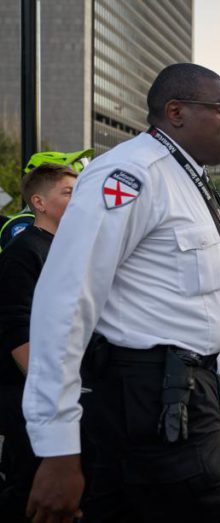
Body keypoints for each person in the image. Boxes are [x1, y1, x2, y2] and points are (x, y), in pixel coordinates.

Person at [23, 63, 220, 522]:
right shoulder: (129, 173)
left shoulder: (186, 177)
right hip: (154, 403)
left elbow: (194, 299)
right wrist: (58, 446)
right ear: (176, 112)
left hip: (186, 391)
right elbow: (66, 301)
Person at [0, 163, 78, 521]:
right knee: (30, 490)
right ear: (39, 202)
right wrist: (51, 392)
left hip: (60, 391)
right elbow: (16, 329)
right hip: (30, 396)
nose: (77, 200)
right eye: (67, 192)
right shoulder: (24, 251)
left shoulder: (65, 249)